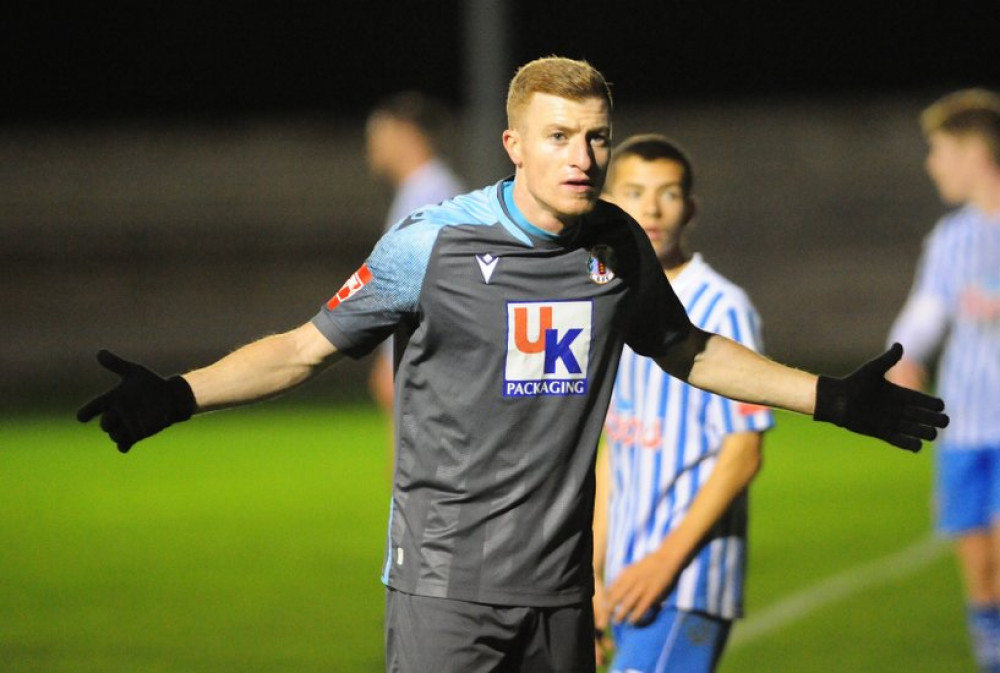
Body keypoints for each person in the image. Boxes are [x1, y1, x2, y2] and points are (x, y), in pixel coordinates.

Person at [78, 56, 947, 673]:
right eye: (560, 136)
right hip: (446, 586)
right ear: (513, 144)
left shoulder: (615, 244)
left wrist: (827, 397)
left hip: (563, 589)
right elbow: (305, 348)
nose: (583, 157)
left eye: (596, 137)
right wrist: (181, 393)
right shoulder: (433, 244)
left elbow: (689, 350)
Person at [592, 134, 771, 672]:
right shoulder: (609, 297)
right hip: (623, 576)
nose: (651, 207)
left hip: (685, 579)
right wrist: (592, 576)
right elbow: (614, 452)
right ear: (608, 203)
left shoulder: (722, 306)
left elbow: (744, 452)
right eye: (635, 191)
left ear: (689, 209)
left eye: (667, 193)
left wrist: (665, 563)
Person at [886, 88, 1000, 673]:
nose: (933, 164)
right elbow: (926, 310)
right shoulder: (950, 238)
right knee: (980, 571)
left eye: (939, 150)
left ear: (972, 150)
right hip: (967, 431)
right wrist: (903, 358)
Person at [364, 91, 466, 412]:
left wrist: (394, 356)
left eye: (378, 133)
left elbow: (416, 284)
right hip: (425, 358)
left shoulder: (431, 193)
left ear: (406, 133)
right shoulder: (421, 189)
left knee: (414, 458)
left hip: (427, 361)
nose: (372, 145)